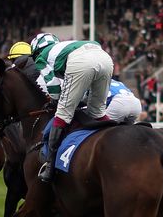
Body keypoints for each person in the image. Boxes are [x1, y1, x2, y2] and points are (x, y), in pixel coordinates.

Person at [31, 33, 113, 183]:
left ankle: (49, 166)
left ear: (36, 51)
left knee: (63, 113)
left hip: (81, 61)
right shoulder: (65, 46)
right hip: (105, 57)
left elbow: (54, 86)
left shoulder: (41, 56)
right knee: (97, 111)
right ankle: (116, 135)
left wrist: (55, 100)